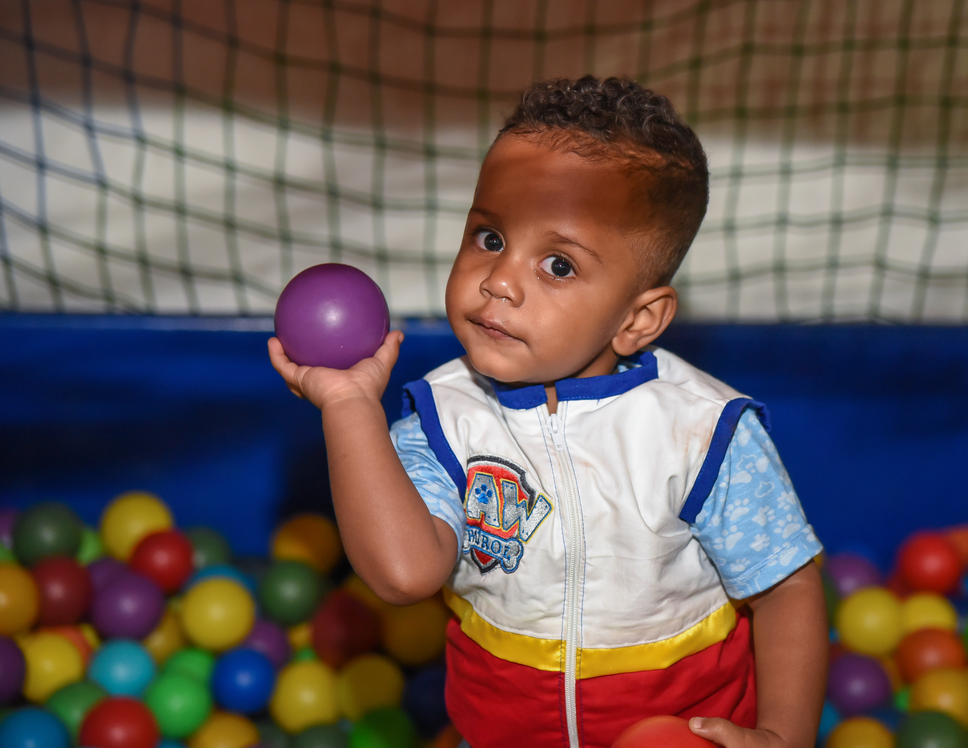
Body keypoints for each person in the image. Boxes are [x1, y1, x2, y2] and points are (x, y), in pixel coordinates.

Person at [269, 76, 827, 748]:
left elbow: (786, 586)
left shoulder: (704, 431)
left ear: (638, 319)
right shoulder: (447, 420)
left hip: (680, 724)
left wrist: (783, 735)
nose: (499, 280)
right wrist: (349, 406)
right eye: (490, 237)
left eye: (558, 265)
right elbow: (404, 574)